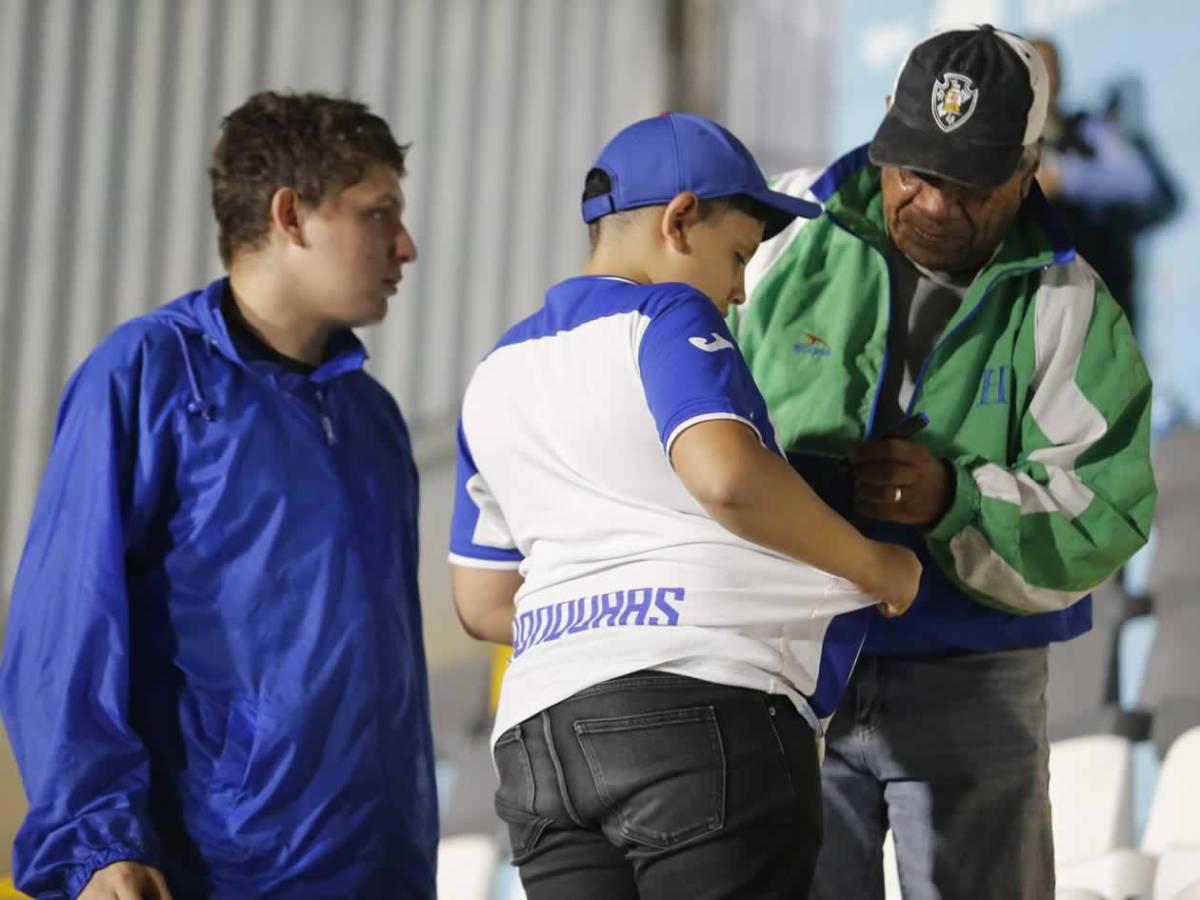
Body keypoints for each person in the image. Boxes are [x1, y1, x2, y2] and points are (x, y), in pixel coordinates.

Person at [447, 112, 921, 900]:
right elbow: (727, 476)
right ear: (679, 220)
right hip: (697, 715)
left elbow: (483, 599)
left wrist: (601, 610)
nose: (737, 293)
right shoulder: (668, 315)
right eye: (736, 258)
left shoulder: (493, 373)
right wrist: (878, 565)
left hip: (537, 746)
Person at [732, 25, 1156, 899]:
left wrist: (955, 499)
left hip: (975, 677)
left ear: (1030, 164)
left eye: (969, 185)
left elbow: (1102, 512)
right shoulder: (779, 233)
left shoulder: (1071, 306)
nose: (930, 204)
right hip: (789, 665)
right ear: (885, 124)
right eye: (914, 169)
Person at [0, 91, 436, 899]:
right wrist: (98, 843)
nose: (404, 247)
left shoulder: (371, 418)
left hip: (381, 869)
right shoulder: (147, 378)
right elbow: (67, 627)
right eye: (379, 215)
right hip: (224, 871)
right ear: (291, 215)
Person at [1033, 37, 1180, 340]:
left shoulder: (1089, 130)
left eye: (1053, 67)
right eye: (1038, 66)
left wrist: (1064, 178)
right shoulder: (1005, 140)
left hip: (1102, 293)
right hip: (1039, 301)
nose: (1048, 76)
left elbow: (1137, 180)